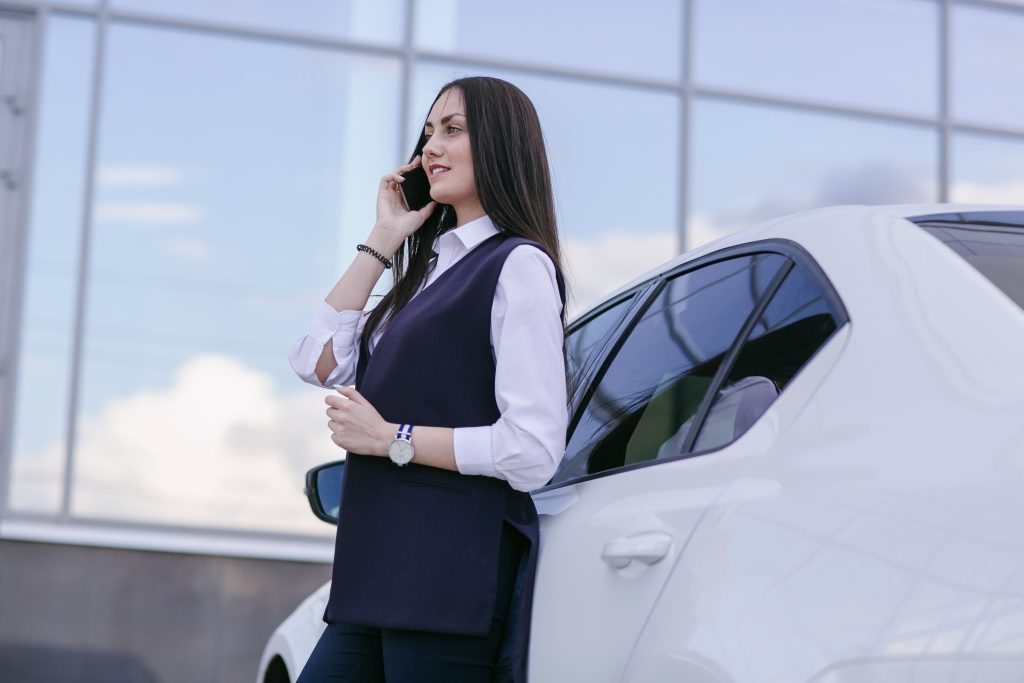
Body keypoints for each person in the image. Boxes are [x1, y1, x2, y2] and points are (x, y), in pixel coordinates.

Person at [287, 76, 569, 683]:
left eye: (454, 129)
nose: (430, 148)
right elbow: (315, 361)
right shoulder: (429, 273)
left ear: (501, 145)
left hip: (447, 576)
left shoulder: (518, 265)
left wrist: (393, 437)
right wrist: (385, 237)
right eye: (428, 131)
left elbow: (534, 449)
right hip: (377, 571)